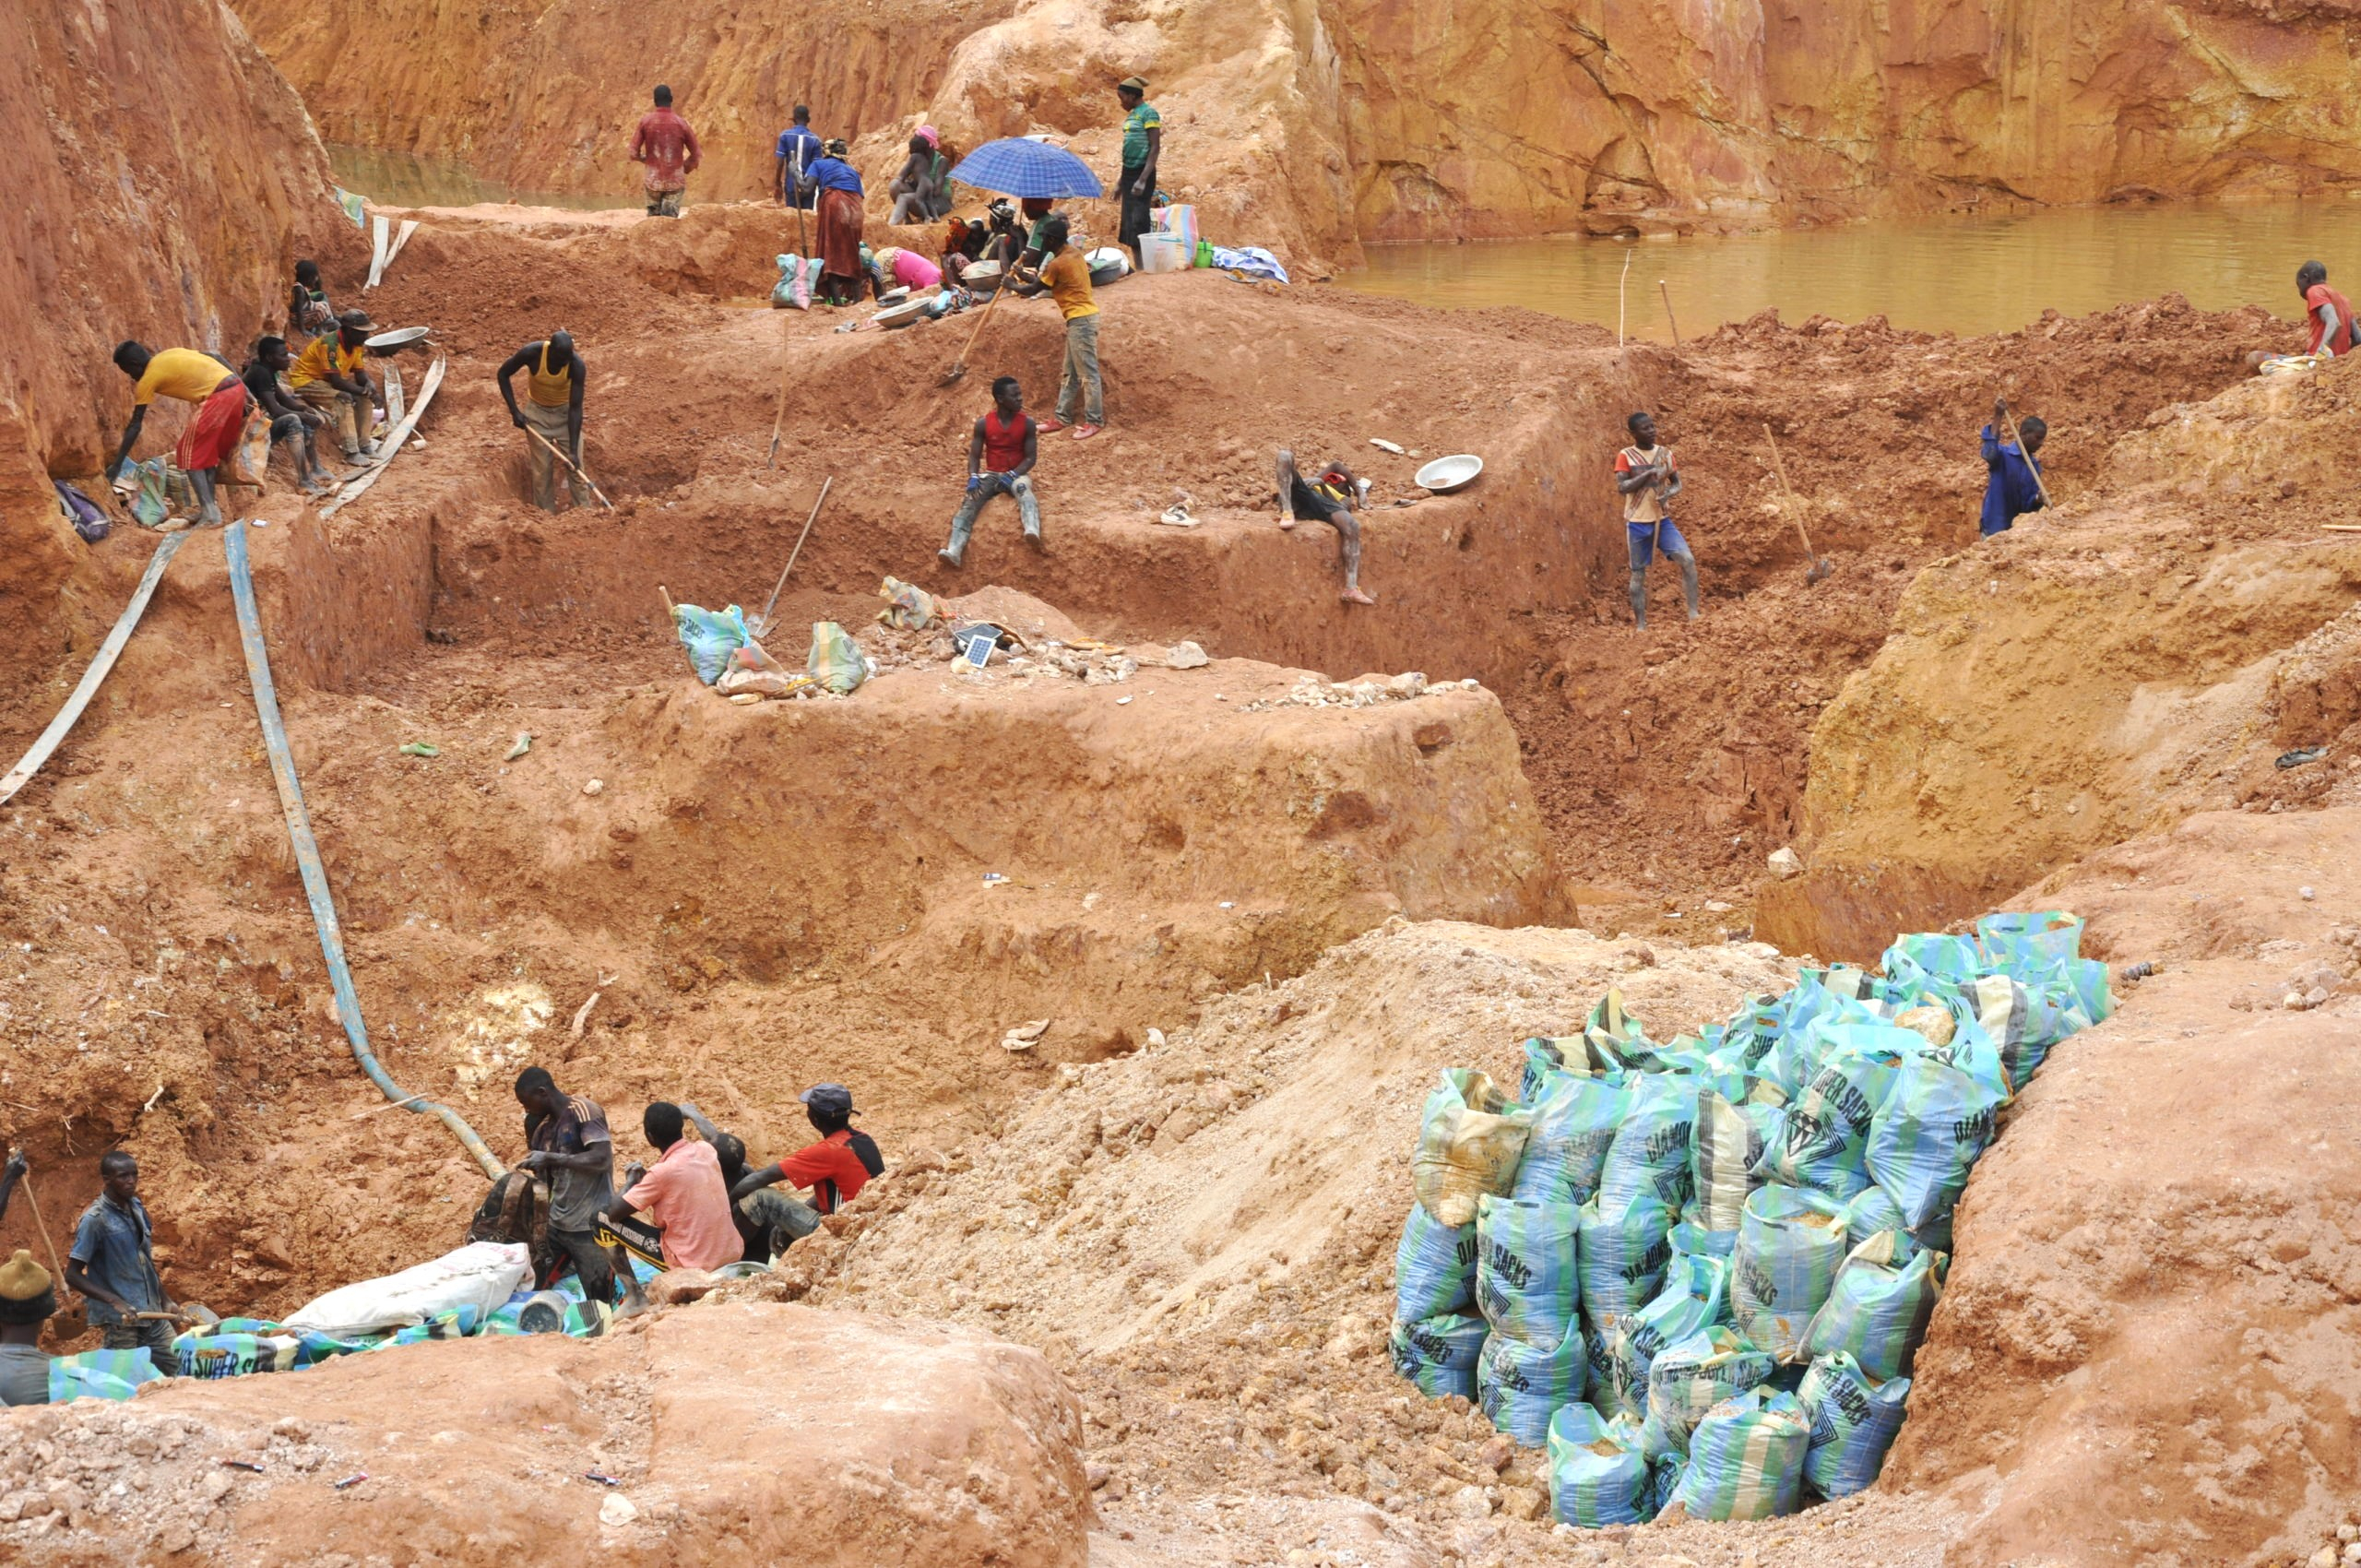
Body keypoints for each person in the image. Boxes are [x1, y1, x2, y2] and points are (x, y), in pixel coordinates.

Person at [597, 1102, 740, 1304]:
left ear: (650, 1137)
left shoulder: (661, 1173)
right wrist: (694, 1114)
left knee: (600, 1219)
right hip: (729, 1252)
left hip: (693, 1264)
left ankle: (635, 1297)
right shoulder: (706, 1150)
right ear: (681, 1127)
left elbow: (614, 1214)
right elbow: (715, 1137)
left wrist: (630, 1181)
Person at [106, 342, 245, 529]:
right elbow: (216, 357)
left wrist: (117, 465)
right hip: (235, 389)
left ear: (134, 363)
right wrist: (246, 389)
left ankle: (211, 514)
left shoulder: (148, 378)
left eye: (129, 371)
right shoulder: (169, 353)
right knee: (207, 454)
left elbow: (135, 425)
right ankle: (209, 509)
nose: (131, 377)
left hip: (218, 397)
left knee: (187, 454)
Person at [65, 1151, 180, 1376]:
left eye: (134, 1175)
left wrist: (165, 1300)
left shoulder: (136, 1207)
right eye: (123, 1176)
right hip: (121, 1323)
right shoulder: (95, 1220)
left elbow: (145, 1261)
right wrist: (114, 1301)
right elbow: (72, 1274)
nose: (131, 1181)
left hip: (152, 1315)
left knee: (182, 1367)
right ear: (107, 1179)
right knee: (124, 1381)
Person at [513, 1066, 617, 1303]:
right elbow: (548, 1182)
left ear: (542, 1092)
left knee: (600, 1300)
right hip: (558, 1225)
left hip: (590, 1226)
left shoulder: (584, 1111)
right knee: (532, 1288)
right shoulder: (542, 1129)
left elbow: (602, 1160)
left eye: (526, 1103)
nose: (526, 1110)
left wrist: (550, 1158)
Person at [678, 1103, 821, 1262]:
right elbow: (713, 1136)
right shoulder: (743, 1168)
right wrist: (693, 1114)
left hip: (748, 1256)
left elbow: (736, 1243)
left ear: (715, 1163)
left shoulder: (743, 1201)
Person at [730, 1083, 884, 1220]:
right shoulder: (863, 1138)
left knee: (759, 1197)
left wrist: (727, 1205)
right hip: (871, 1219)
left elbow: (759, 1178)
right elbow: (835, 1189)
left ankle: (734, 1250)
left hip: (844, 1228)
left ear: (814, 1119)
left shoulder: (828, 1151)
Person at [940, 376, 1042, 567]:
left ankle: (1032, 529)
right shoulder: (983, 424)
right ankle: (954, 549)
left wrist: (1013, 474)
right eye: (1015, 395)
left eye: (1020, 394)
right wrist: (973, 476)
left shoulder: (1027, 423)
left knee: (1023, 491)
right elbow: (974, 456)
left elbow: (1030, 458)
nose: (1020, 399)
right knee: (970, 502)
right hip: (992, 474)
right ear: (1000, 399)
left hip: (1016, 474)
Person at [1022, 217, 1104, 439]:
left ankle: (1094, 421)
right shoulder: (1073, 253)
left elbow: (1033, 289)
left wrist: (1010, 283)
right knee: (1071, 373)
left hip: (1081, 320)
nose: (1043, 243)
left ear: (1051, 240)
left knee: (1088, 374)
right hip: (1081, 320)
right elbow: (1039, 282)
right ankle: (1062, 417)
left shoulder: (1057, 264)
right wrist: (1019, 274)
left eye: (1045, 239)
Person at [1615, 410, 1698, 630]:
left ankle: (1694, 614)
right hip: (1637, 522)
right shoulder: (1626, 455)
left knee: (1687, 560)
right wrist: (1646, 475)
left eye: (1652, 426)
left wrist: (1669, 493)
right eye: (1645, 428)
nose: (1652, 431)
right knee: (1637, 576)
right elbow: (1622, 488)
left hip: (1662, 520)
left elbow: (1676, 483)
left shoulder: (1665, 454)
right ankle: (1641, 625)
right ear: (1633, 433)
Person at [495, 331, 588, 512]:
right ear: (552, 352)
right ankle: (545, 518)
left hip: (565, 414)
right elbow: (503, 374)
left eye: (569, 358)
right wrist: (515, 411)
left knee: (577, 470)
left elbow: (576, 409)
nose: (566, 363)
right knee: (542, 472)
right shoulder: (532, 353)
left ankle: (585, 515)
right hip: (537, 415)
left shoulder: (576, 366)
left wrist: (572, 451)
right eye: (562, 359)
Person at [1275, 450, 1376, 606]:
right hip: (1302, 495)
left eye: (1339, 482)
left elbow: (1339, 509)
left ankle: (1351, 588)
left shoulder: (1344, 499)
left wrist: (1324, 487)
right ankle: (1287, 510)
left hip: (1323, 505)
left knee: (1353, 526)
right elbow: (1336, 465)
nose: (1334, 481)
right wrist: (1359, 491)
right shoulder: (1316, 481)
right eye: (1332, 480)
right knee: (1284, 455)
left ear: (1344, 489)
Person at [241, 336, 334, 496]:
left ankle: (315, 469)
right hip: (246, 434)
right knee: (293, 420)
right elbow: (276, 409)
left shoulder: (266, 370)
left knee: (301, 415)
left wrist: (306, 410)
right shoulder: (261, 373)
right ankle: (304, 481)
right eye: (283, 355)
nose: (287, 359)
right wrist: (303, 416)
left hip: (255, 427)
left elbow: (285, 401)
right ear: (270, 357)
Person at [287, 311, 380, 465]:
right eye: (362, 333)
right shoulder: (330, 344)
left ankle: (364, 445)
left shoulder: (356, 345)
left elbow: (360, 375)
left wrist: (370, 386)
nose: (366, 337)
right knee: (343, 399)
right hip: (306, 381)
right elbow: (336, 381)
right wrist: (365, 390)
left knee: (364, 398)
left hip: (324, 381)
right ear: (349, 330)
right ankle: (351, 451)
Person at [807, 138, 867, 305]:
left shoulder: (818, 164)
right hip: (855, 209)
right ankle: (857, 300)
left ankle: (837, 303)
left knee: (831, 252)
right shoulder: (852, 171)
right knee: (852, 252)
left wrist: (795, 173)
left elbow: (805, 188)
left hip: (835, 204)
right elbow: (860, 195)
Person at [630, 85, 701, 218]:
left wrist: (646, 160)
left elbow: (633, 153)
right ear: (671, 99)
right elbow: (696, 154)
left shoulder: (645, 122)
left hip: (653, 181)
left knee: (653, 222)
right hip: (675, 181)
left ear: (654, 100)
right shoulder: (681, 123)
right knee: (669, 225)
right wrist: (685, 167)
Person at [1978, 398, 2047, 537]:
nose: (2041, 443)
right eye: (2038, 438)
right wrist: (1998, 416)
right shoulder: (2003, 456)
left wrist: (2037, 499)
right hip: (1993, 529)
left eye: (2042, 439)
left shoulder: (2034, 467)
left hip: (2016, 535)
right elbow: (1989, 452)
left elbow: (2027, 507)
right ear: (2023, 434)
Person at [1114, 76, 1162, 267]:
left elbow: (1155, 147)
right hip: (1129, 172)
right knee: (1128, 221)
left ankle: (1146, 268)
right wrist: (1120, 182)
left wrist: (1143, 179)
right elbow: (1129, 148)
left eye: (1122, 97)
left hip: (1143, 172)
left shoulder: (1149, 114)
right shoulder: (1132, 115)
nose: (1121, 102)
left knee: (1139, 219)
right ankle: (1139, 266)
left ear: (1133, 96)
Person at [887, 129, 954, 226]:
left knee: (903, 198)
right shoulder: (919, 157)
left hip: (940, 202)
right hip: (924, 194)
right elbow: (901, 177)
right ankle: (907, 220)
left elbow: (937, 192)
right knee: (894, 185)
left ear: (927, 144)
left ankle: (891, 226)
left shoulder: (941, 161)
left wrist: (918, 192)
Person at [2297, 261, 2358, 358]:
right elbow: (2358, 338)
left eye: (2298, 284)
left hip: (2316, 358)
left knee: (2268, 364)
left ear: (2306, 278)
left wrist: (2322, 350)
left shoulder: (2314, 291)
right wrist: (2343, 359)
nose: (2299, 290)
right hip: (2337, 361)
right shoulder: (2343, 299)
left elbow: (2334, 322)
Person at [775, 104, 823, 209]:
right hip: (809, 187)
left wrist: (777, 183)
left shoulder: (785, 136)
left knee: (792, 219)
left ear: (794, 119)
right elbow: (818, 166)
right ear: (808, 120)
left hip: (791, 185)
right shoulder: (816, 140)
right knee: (806, 219)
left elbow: (779, 162)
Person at [870, 244, 945, 299]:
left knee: (903, 294)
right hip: (887, 260)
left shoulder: (935, 273)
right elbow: (928, 298)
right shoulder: (933, 281)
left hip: (892, 253)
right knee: (892, 298)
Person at [289, 259, 335, 341]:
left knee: (323, 304)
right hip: (296, 317)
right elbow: (299, 311)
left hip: (303, 313)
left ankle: (320, 327)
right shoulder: (299, 290)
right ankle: (319, 330)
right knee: (321, 308)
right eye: (314, 280)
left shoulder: (301, 287)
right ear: (309, 279)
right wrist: (302, 329)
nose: (315, 283)